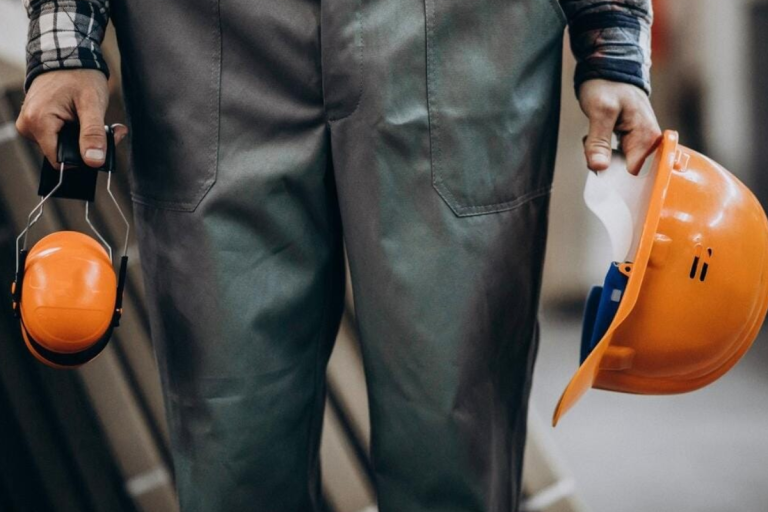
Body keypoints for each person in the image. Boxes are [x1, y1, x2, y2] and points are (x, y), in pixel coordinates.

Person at [16, 0, 660, 510]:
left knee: (454, 446)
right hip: (206, 28)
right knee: (233, 453)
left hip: (461, 26)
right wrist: (64, 37)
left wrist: (613, 32)